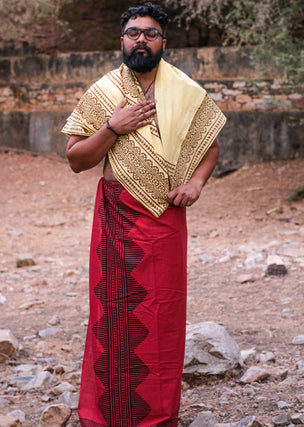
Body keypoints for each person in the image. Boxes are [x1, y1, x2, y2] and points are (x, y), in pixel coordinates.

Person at [62, 3, 226, 426]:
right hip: (117, 215)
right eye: (133, 33)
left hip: (166, 218)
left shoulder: (187, 92)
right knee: (111, 312)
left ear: (163, 42)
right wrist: (113, 127)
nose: (141, 40)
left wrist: (196, 184)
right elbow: (77, 159)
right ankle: (104, 417)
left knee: (164, 315)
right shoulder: (102, 93)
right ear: (122, 40)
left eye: (150, 34)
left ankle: (158, 418)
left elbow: (210, 146)